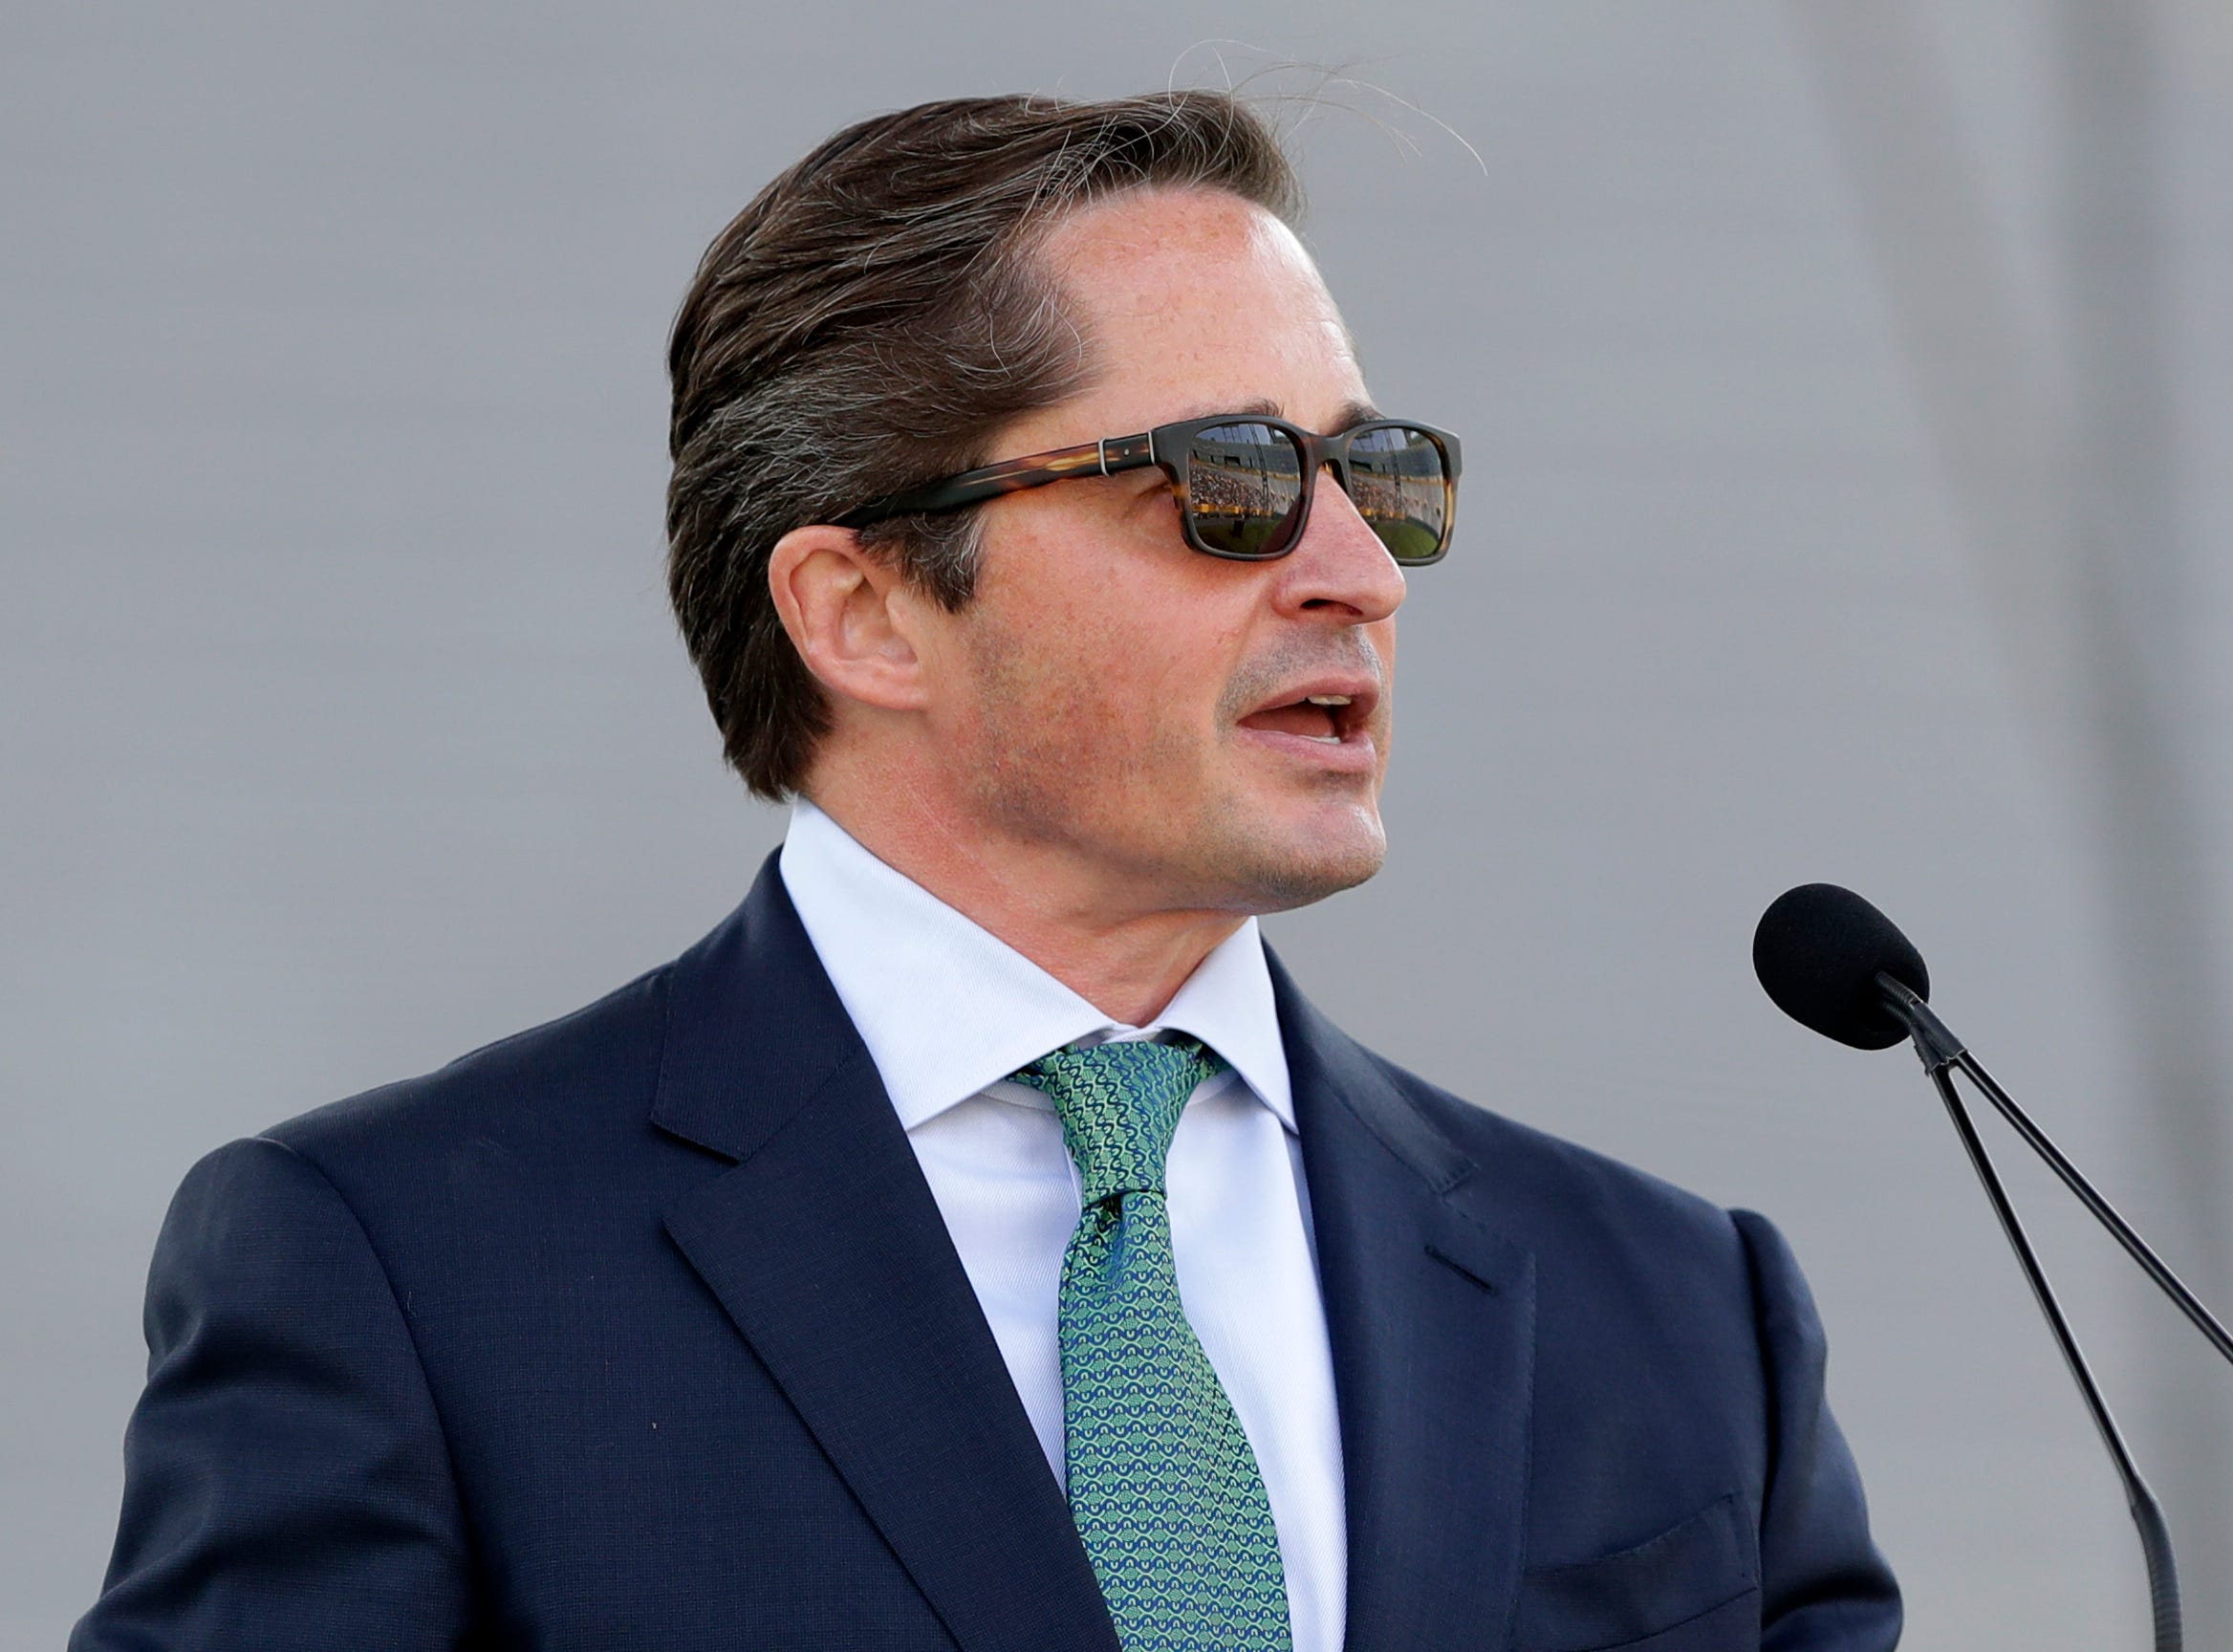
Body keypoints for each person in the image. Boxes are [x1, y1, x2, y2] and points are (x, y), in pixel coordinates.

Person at [74, 91, 1901, 1651]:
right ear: (863, 608)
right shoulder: (407, 1271)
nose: (1361, 569)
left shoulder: (1675, 1311)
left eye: (1383, 476)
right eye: (1232, 480)